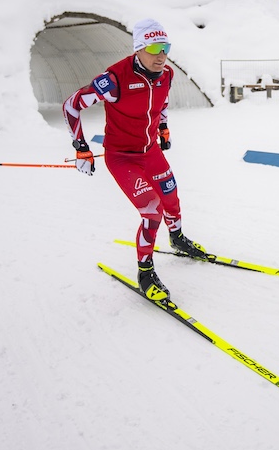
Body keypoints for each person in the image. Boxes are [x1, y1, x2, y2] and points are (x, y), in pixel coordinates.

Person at [62, 18, 205, 302]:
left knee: (171, 197)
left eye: (165, 47)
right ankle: (145, 272)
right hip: (122, 157)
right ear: (139, 48)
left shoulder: (167, 74)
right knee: (152, 212)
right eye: (154, 48)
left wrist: (163, 127)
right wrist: (81, 147)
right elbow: (71, 106)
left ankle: (176, 239)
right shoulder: (114, 80)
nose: (161, 55)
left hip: (150, 151)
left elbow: (161, 104)